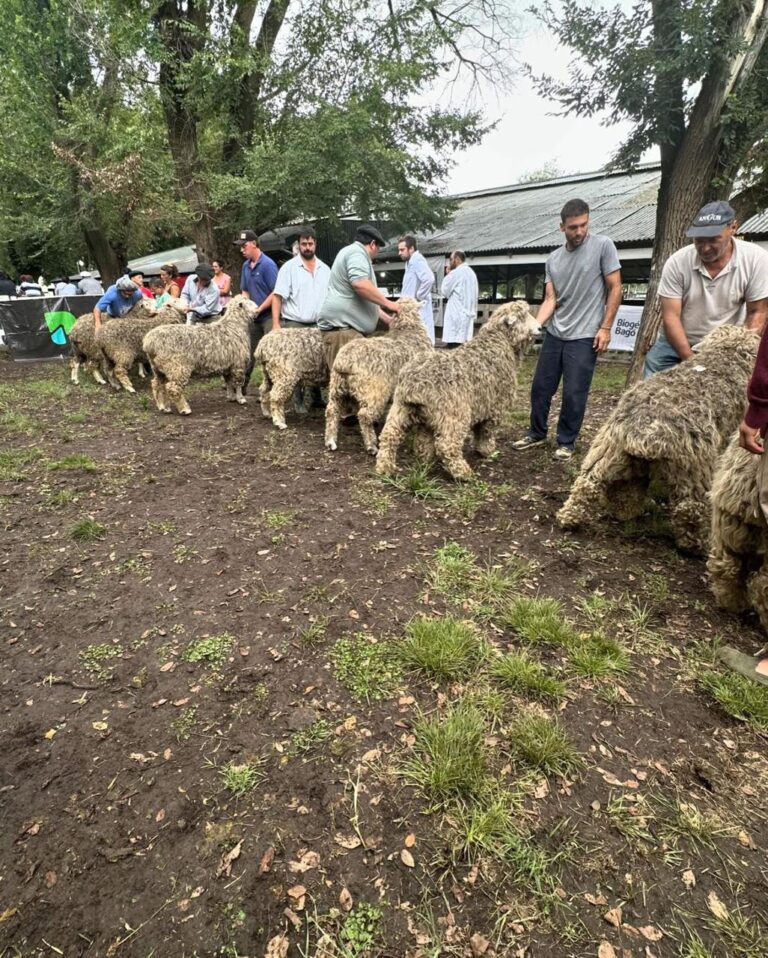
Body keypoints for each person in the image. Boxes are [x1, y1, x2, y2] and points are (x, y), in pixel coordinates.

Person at [512, 198, 622, 461]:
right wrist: (535, 326)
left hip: (584, 335)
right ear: (562, 227)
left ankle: (566, 441)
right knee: (540, 387)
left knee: (574, 391)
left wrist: (605, 327)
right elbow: (551, 299)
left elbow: (615, 287)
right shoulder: (554, 259)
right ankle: (537, 433)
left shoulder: (603, 246)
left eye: (584, 225)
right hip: (556, 333)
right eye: (573, 227)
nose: (580, 231)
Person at [644, 201, 768, 377]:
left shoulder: (757, 260)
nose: (705, 247)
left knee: (734, 391)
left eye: (713, 240)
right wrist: (691, 361)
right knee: (650, 390)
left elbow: (757, 313)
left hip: (724, 344)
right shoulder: (678, 262)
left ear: (733, 228)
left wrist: (738, 354)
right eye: (699, 240)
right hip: (677, 340)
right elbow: (671, 316)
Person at [317, 224, 401, 369]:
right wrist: (390, 304)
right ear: (373, 244)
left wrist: (387, 319)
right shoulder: (357, 253)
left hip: (347, 330)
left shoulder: (351, 252)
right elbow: (360, 284)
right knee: (348, 384)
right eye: (378, 248)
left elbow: (364, 299)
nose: (378, 252)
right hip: (342, 332)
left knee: (355, 383)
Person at [234, 229, 279, 389]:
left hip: (267, 317)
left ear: (254, 244)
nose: (241, 250)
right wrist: (246, 308)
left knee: (269, 354)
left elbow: (275, 292)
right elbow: (245, 290)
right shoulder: (246, 266)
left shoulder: (268, 265)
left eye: (244, 246)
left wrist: (259, 309)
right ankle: (241, 385)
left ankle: (270, 388)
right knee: (249, 352)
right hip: (253, 317)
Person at [271, 227, 331, 331]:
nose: (307, 247)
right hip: (294, 326)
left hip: (320, 325)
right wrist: (275, 325)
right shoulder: (288, 268)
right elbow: (277, 297)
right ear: (298, 244)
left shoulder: (325, 269)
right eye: (304, 244)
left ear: (315, 244)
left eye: (310, 244)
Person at [398, 234, 435, 342]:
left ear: (411, 248)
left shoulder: (417, 259)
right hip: (410, 310)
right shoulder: (409, 262)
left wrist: (419, 296)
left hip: (418, 309)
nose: (399, 253)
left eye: (402, 250)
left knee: (422, 341)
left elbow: (429, 278)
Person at [440, 251, 478, 348]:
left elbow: (445, 291)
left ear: (457, 260)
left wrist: (448, 274)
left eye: (451, 260)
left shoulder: (456, 273)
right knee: (464, 347)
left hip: (456, 316)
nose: (450, 263)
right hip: (467, 316)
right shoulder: (471, 273)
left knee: (454, 347)